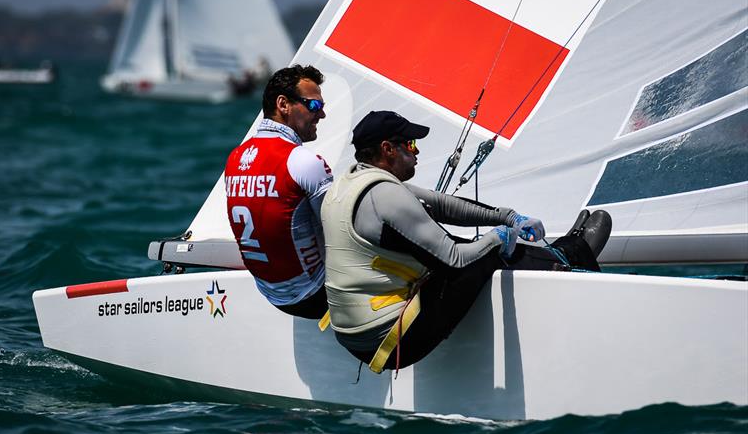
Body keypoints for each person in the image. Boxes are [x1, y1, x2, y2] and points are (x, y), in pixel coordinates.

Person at [321, 110, 611, 372]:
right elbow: (456, 262)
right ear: (387, 150)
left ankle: (553, 255)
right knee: (482, 254)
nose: (417, 151)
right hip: (391, 341)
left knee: (452, 241)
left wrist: (509, 217)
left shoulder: (350, 184)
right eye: (410, 145)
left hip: (352, 334)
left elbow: (443, 205)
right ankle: (572, 255)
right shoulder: (386, 196)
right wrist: (497, 237)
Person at [224, 64, 332, 319]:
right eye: (314, 106)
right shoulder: (302, 160)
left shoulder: (236, 157)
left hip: (270, 294)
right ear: (283, 104)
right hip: (315, 296)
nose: (322, 115)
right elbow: (344, 231)